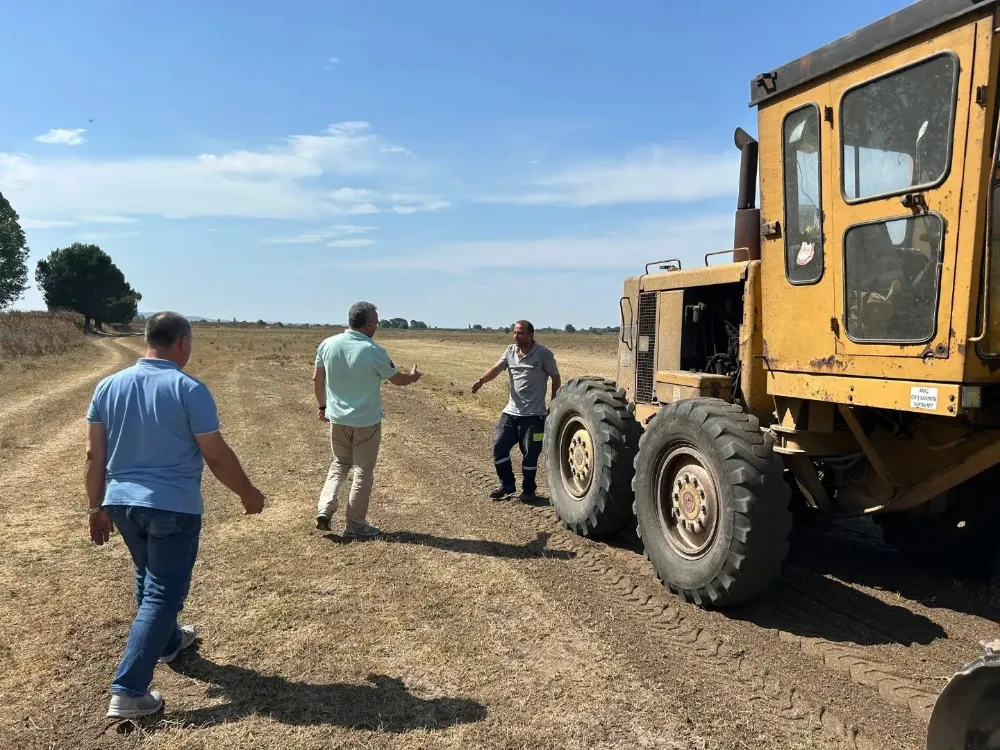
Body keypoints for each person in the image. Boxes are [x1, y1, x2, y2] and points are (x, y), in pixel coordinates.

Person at [86, 312, 266, 720]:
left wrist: (97, 507)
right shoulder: (189, 388)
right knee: (163, 592)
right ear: (183, 341)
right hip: (171, 507)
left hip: (122, 504)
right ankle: (129, 690)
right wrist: (248, 493)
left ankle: (167, 643)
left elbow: (94, 455)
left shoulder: (108, 386)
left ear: (148, 339)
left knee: (148, 577)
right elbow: (215, 454)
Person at [313, 301, 422, 537]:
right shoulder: (373, 350)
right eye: (377, 323)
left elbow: (317, 379)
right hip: (366, 422)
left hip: (338, 419)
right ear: (369, 324)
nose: (377, 327)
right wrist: (413, 377)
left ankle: (325, 508)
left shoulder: (327, 344)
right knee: (363, 470)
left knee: (340, 464)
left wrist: (323, 406)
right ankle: (355, 526)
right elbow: (398, 380)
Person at [471, 320, 561, 501]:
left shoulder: (543, 354)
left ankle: (529, 490)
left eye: (520, 333)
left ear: (530, 335)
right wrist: (481, 381)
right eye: (514, 333)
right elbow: (497, 369)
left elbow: (555, 377)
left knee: (530, 455)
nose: (516, 336)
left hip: (534, 416)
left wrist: (554, 404)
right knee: (499, 447)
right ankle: (506, 484)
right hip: (511, 412)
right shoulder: (510, 351)